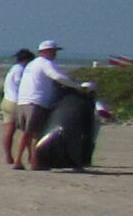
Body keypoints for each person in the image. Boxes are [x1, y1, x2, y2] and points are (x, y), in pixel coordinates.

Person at [17, 41, 90, 169]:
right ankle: (35, 163)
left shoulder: (32, 64)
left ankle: (18, 160)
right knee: (35, 134)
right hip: (36, 102)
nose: (55, 53)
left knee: (25, 133)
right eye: (52, 51)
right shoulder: (46, 63)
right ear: (44, 51)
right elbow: (57, 76)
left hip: (22, 101)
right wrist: (77, 86)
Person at [1, 47, 36, 167]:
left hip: (6, 100)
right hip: (16, 102)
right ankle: (29, 157)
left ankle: (8, 156)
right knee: (27, 131)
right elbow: (22, 85)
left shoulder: (13, 69)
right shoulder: (21, 70)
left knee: (8, 132)